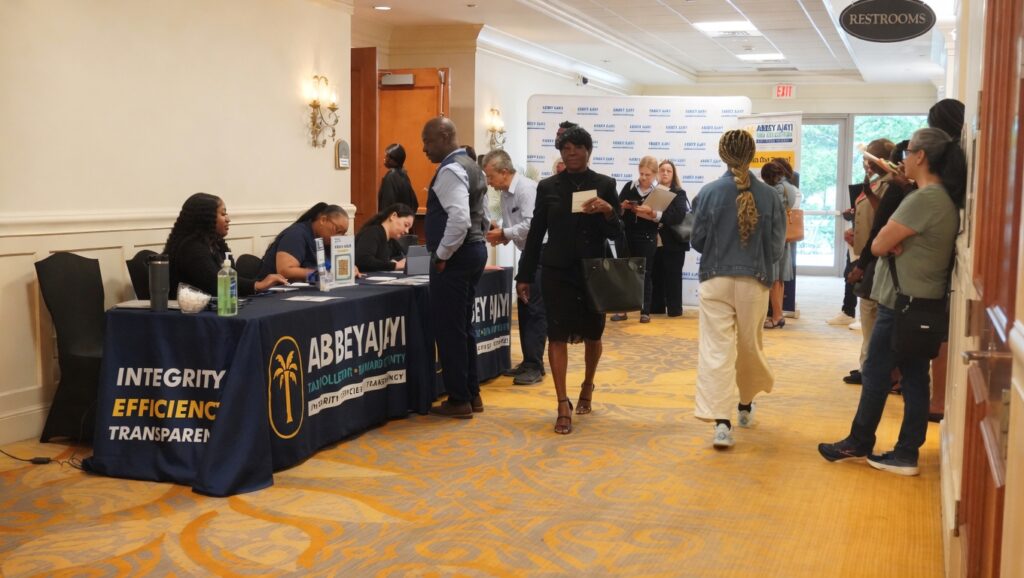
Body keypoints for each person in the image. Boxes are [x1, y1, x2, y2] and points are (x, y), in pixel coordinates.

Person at [818, 127, 965, 475]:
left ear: (921, 156)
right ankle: (905, 452)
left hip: (901, 305)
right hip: (919, 302)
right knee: (914, 377)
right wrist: (892, 240)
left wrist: (890, 241)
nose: (903, 159)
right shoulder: (938, 198)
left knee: (876, 371)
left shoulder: (924, 200)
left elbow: (879, 245)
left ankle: (860, 441)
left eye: (908, 152)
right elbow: (886, 242)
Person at [516, 126, 621, 435]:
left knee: (593, 334)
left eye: (577, 147)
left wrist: (608, 212)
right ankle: (562, 403)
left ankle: (588, 384)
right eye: (565, 148)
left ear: (588, 150)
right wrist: (524, 274)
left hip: (592, 273)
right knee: (557, 335)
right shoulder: (548, 187)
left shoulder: (605, 184)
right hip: (556, 272)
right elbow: (536, 233)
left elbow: (617, 233)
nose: (571, 152)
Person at [690, 130, 786, 448]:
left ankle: (722, 424)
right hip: (754, 281)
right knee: (749, 346)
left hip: (714, 279)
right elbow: (776, 248)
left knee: (715, 350)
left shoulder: (707, 192)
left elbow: (697, 240)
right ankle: (745, 406)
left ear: (722, 155)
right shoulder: (770, 196)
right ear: (752, 154)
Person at [421, 117, 489, 418]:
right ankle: (472, 394)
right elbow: (483, 216)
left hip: (457, 257)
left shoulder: (450, 170)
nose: (424, 148)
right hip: (474, 251)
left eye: (427, 141)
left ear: (444, 135)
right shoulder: (473, 166)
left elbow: (460, 219)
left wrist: (442, 255)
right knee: (463, 326)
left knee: (450, 329)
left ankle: (459, 399)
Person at [482, 149, 547, 386]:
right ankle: (530, 361)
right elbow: (515, 226)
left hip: (542, 253)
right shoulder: (506, 194)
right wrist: (502, 233)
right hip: (528, 254)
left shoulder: (526, 189)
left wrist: (505, 233)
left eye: (491, 176)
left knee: (535, 309)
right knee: (525, 307)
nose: (489, 182)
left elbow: (532, 224)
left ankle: (535, 366)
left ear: (504, 172)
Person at [842, 139, 896, 384]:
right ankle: (866, 365)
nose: (866, 163)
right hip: (867, 253)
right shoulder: (875, 183)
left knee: (872, 315)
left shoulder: (890, 185)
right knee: (868, 316)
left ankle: (871, 370)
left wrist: (862, 264)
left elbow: (881, 220)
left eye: (869, 158)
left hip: (876, 259)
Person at [164, 193, 286, 297]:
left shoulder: (217, 244)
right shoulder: (191, 248)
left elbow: (231, 277)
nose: (228, 219)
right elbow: (215, 283)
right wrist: (258, 285)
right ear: (207, 219)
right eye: (223, 214)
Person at [610, 156, 660, 323]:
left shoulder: (658, 192)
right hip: (626, 234)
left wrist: (650, 212)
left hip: (647, 236)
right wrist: (623, 207)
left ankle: (645, 311)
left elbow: (661, 217)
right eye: (641, 173)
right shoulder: (629, 186)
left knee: (645, 272)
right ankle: (623, 310)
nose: (643, 178)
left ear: (655, 174)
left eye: (647, 175)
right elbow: (616, 211)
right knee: (624, 271)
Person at [257, 203, 349, 281]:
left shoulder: (326, 241)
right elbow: (285, 271)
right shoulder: (296, 234)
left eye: (343, 233)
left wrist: (348, 269)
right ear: (323, 220)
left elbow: (333, 267)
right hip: (275, 291)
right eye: (337, 230)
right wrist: (323, 274)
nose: (339, 237)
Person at [759, 159, 800, 329]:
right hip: (783, 237)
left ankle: (776, 316)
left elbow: (768, 212)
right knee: (779, 279)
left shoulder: (777, 190)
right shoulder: (789, 187)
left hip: (774, 238)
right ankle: (779, 314)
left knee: (774, 279)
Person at [649, 159, 690, 317]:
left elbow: (678, 216)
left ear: (673, 174)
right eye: (662, 170)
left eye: (669, 171)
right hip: (655, 241)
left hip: (674, 242)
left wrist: (657, 214)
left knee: (673, 277)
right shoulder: (651, 192)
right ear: (657, 173)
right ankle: (656, 307)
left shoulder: (679, 193)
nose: (665, 173)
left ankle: (674, 309)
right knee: (656, 275)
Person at [354, 203, 415, 272]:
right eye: (406, 225)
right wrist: (395, 265)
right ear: (393, 216)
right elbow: (363, 260)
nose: (407, 231)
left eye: (409, 228)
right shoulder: (372, 232)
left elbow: (400, 258)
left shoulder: (392, 240)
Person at [377, 144, 419, 214]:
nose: (384, 158)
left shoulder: (391, 177)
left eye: (387, 156)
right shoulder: (404, 175)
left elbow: (388, 206)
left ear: (393, 159)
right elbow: (415, 204)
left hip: (393, 219)